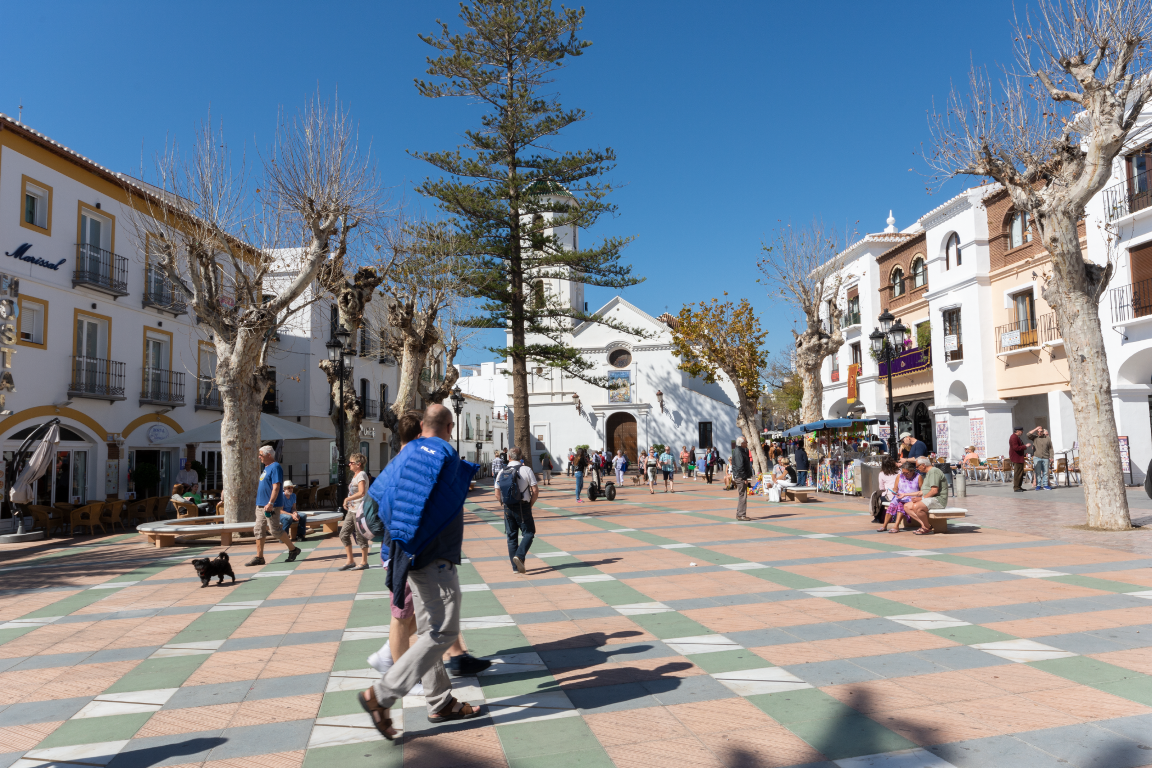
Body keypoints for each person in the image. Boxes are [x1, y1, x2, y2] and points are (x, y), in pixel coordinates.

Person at [359, 403, 484, 740]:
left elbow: (377, 499)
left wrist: (397, 543)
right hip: (430, 555)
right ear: (448, 426)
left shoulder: (405, 453)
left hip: (413, 554)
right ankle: (381, 694)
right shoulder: (438, 450)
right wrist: (411, 539)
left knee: (430, 629)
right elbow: (415, 501)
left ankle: (440, 701)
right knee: (444, 632)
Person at [247, 446, 301, 567]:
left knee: (275, 530)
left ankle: (293, 549)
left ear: (269, 455)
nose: (259, 457)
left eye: (261, 454)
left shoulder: (275, 467)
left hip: (272, 505)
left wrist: (270, 503)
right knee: (258, 529)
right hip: (261, 505)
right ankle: (259, 557)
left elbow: (276, 487)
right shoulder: (266, 468)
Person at [495, 447, 539, 574]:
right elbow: (535, 491)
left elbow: (497, 493)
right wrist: (530, 504)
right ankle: (519, 556)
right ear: (521, 457)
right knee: (529, 532)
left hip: (508, 507)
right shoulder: (526, 470)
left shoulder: (502, 471)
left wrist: (503, 503)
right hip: (523, 506)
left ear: (509, 457)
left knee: (511, 537)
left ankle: (515, 569)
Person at [339, 453, 371, 571]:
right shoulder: (355, 476)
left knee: (360, 536)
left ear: (359, 464)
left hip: (360, 510)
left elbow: (362, 492)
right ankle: (350, 560)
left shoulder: (361, 474)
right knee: (343, 534)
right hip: (352, 510)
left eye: (351, 463)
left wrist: (347, 499)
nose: (349, 464)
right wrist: (347, 501)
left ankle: (364, 562)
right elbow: (353, 492)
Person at [904, 456, 950, 534]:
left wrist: (921, 499)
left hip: (938, 500)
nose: (917, 468)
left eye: (917, 466)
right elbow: (922, 492)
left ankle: (926, 527)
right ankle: (925, 525)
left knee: (917, 506)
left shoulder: (934, 472)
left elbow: (934, 491)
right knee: (907, 506)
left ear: (923, 465)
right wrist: (904, 494)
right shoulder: (928, 473)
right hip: (930, 498)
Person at [876, 456, 905, 532]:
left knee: (879, 498)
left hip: (890, 495)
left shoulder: (882, 474)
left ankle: (880, 520)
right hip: (901, 494)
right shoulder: (900, 471)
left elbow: (881, 488)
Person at [732, 437, 753, 519]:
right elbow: (740, 466)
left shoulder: (742, 450)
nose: (747, 443)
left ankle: (739, 513)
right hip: (740, 476)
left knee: (742, 495)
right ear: (742, 443)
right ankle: (741, 515)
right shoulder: (738, 452)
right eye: (746, 442)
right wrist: (744, 478)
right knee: (742, 495)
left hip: (741, 476)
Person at [1008, 426, 1031, 493]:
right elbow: (1016, 448)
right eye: (1021, 431)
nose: (1022, 432)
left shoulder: (1016, 437)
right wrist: (1025, 446)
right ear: (1017, 431)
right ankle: (1016, 487)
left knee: (1020, 472)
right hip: (1016, 457)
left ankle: (1019, 486)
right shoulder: (1013, 437)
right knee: (1017, 473)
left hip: (1019, 457)